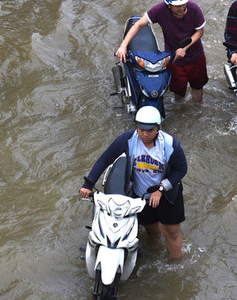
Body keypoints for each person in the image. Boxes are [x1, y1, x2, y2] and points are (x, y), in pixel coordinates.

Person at [79, 106, 187, 260]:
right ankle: (155, 254)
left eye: (149, 130)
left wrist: (161, 189)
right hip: (141, 194)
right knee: (151, 229)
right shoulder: (128, 140)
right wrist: (88, 185)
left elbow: (181, 169)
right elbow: (105, 159)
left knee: (172, 232)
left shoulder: (170, 144)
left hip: (167, 194)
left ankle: (176, 263)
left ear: (158, 127)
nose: (144, 134)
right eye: (141, 129)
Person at [116, 0, 208, 103]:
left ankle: (197, 107)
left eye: (184, 4)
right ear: (168, 5)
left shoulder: (194, 8)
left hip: (196, 56)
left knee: (197, 86)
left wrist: (184, 48)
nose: (182, 8)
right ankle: (182, 110)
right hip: (174, 58)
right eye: (177, 6)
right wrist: (123, 45)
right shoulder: (159, 10)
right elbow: (139, 24)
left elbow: (200, 31)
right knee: (178, 91)